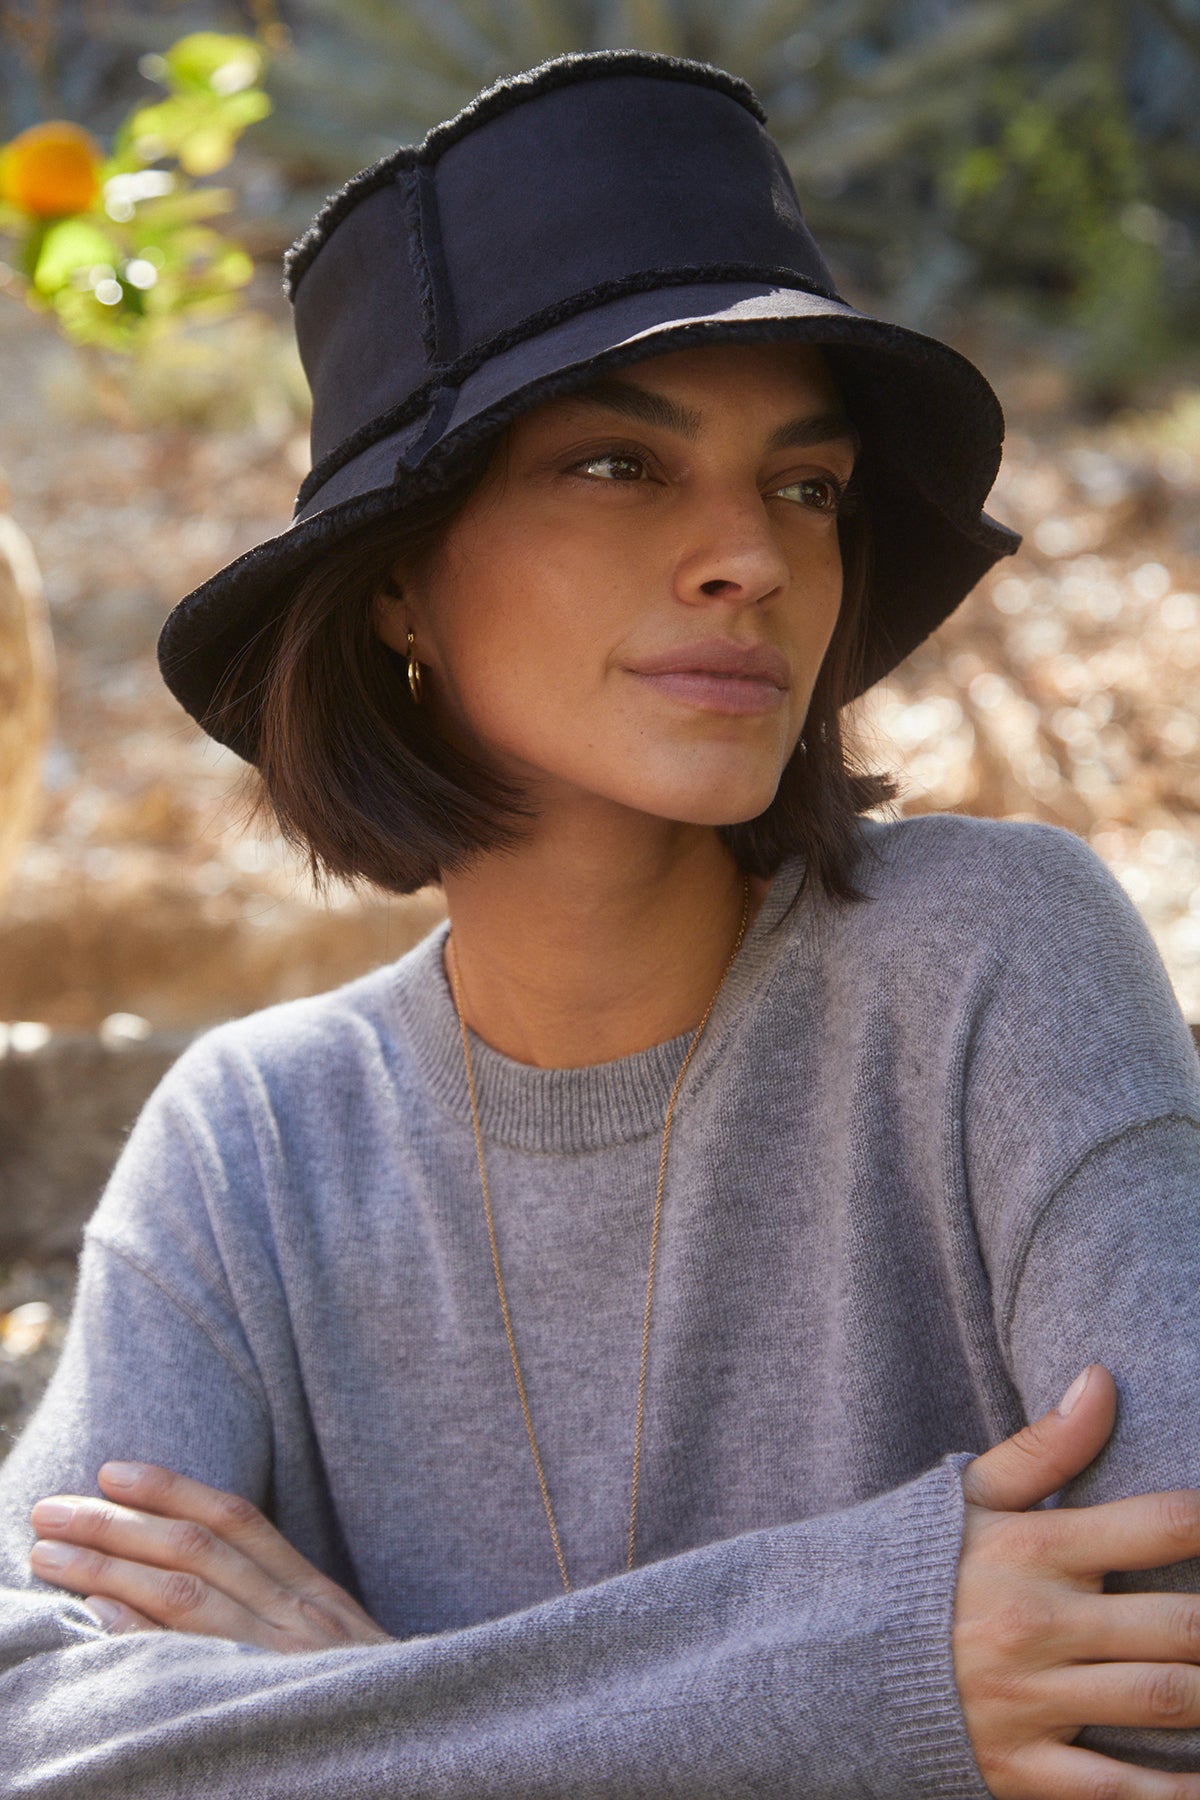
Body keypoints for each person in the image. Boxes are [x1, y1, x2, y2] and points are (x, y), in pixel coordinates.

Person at [2, 49, 1200, 1800]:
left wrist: (368, 1711)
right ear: (401, 575)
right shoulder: (258, 1142)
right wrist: (866, 1667)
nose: (753, 558)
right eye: (622, 466)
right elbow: (35, 1727)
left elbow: (1161, 1657)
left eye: (805, 485)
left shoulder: (993, 961)